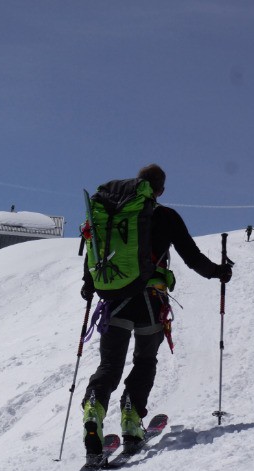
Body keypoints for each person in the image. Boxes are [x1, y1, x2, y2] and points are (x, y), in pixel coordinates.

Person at [79, 164, 233, 455]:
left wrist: (89, 286)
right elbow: (192, 257)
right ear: (160, 190)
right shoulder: (165, 216)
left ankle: (93, 412)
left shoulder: (110, 215)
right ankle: (131, 418)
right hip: (150, 302)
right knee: (145, 360)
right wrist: (218, 272)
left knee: (109, 366)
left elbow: (94, 255)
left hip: (114, 301)